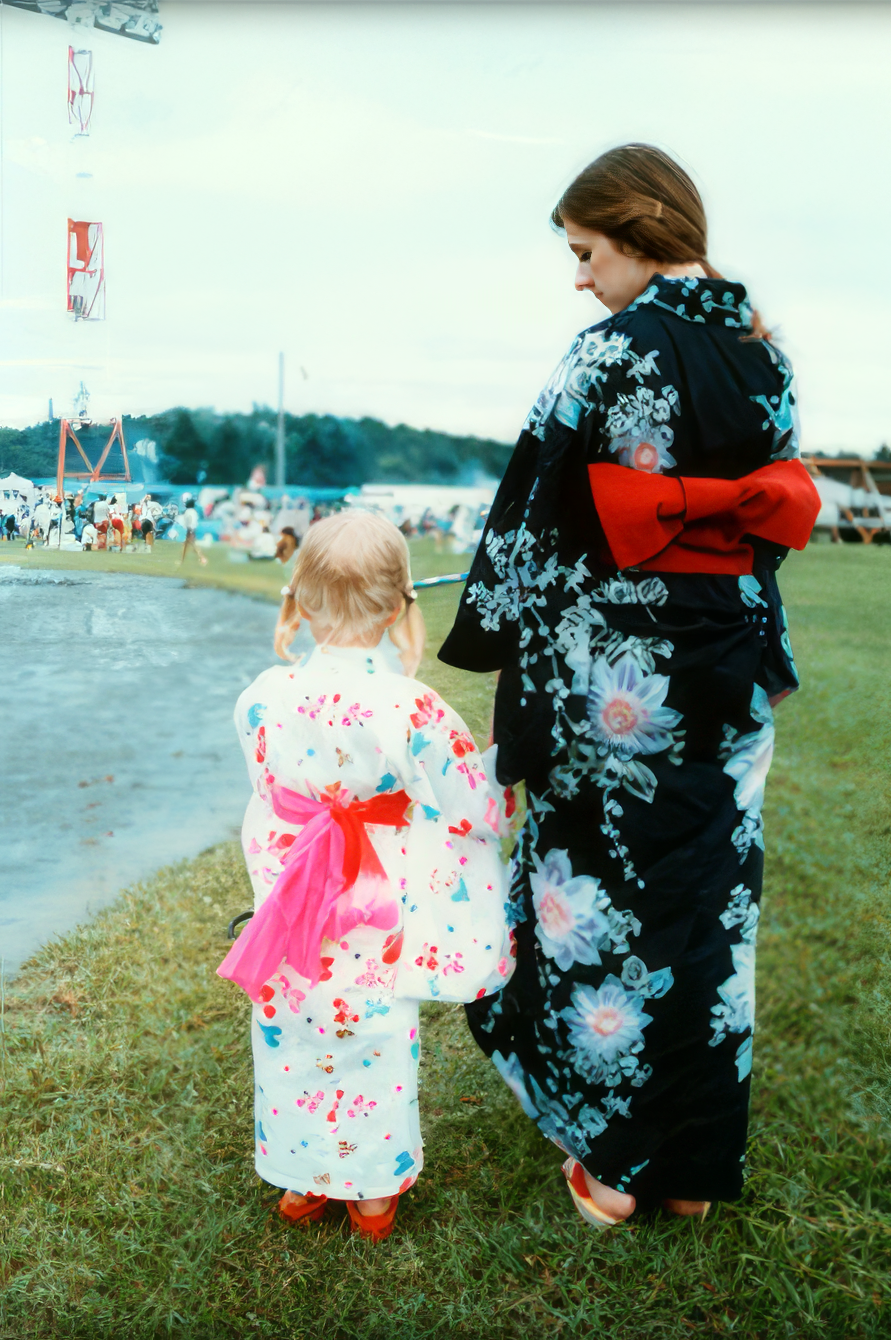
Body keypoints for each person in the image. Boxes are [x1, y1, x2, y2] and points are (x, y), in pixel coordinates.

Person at [439, 144, 820, 1227]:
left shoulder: (607, 351)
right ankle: (689, 1169)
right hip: (729, 673)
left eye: (584, 250)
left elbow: (532, 516)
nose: (579, 277)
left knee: (599, 913)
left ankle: (614, 1167)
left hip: (618, 686)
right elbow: (766, 521)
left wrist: (503, 633)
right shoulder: (764, 354)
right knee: (706, 906)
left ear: (639, 231)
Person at [216, 510, 516, 1238]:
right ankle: (373, 1194)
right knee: (375, 1032)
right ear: (395, 606)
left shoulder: (262, 697)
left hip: (293, 895)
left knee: (290, 1023)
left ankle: (299, 1180)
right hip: (376, 904)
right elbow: (474, 804)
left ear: (302, 599)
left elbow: (269, 790)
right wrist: (499, 775)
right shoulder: (411, 705)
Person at [179, 497, 207, 567]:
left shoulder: (188, 511)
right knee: (187, 545)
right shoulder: (194, 511)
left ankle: (202, 558)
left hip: (190, 530)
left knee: (193, 545)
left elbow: (187, 522)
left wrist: (188, 530)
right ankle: (182, 560)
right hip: (193, 529)